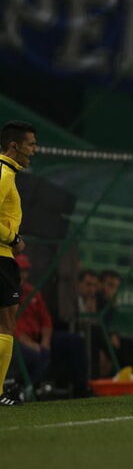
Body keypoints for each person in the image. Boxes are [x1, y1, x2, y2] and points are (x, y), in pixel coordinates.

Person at [13, 254, 90, 398]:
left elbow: (46, 320)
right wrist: (28, 342)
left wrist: (45, 341)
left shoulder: (32, 291)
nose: (22, 275)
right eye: (19, 271)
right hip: (18, 339)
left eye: (25, 271)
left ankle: (80, 389)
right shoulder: (7, 293)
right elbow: (8, 323)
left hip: (38, 337)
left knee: (76, 341)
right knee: (34, 355)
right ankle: (29, 389)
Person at [0, 120, 37, 406]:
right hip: (1, 256)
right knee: (6, 322)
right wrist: (13, 239)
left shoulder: (7, 173)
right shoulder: (4, 174)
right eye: (31, 145)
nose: (34, 151)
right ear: (14, 146)